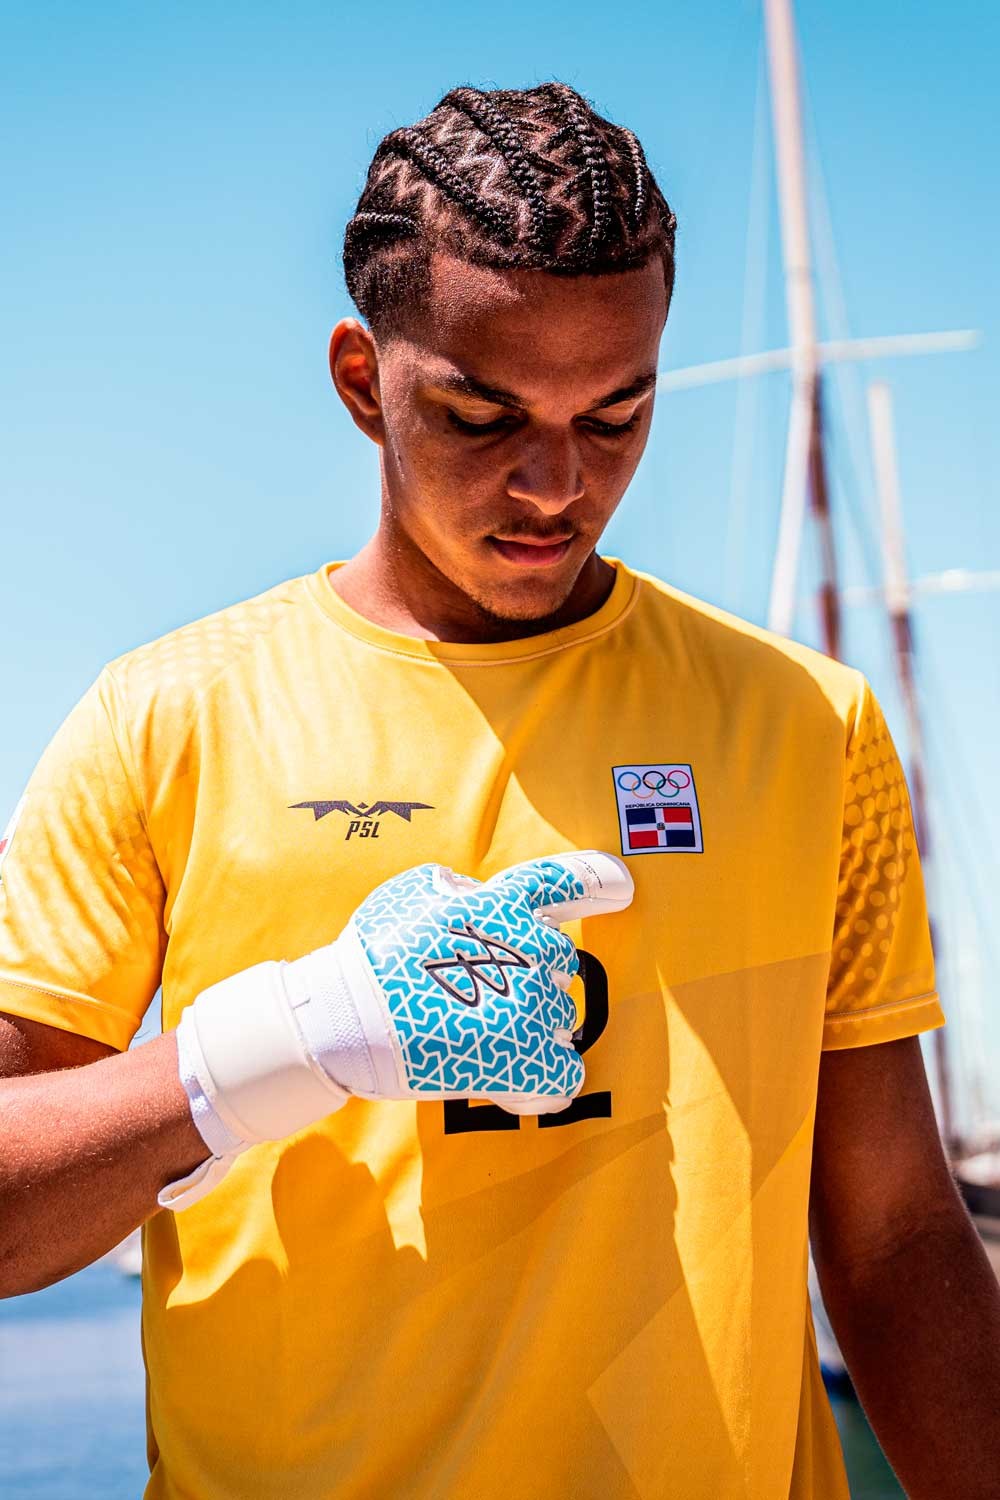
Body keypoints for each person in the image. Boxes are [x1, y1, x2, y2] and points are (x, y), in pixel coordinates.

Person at [0, 80, 997, 1500]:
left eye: (618, 415)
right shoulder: (171, 717)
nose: (553, 482)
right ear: (364, 380)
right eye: (480, 414)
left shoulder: (807, 725)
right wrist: (297, 1036)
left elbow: (896, 1236)